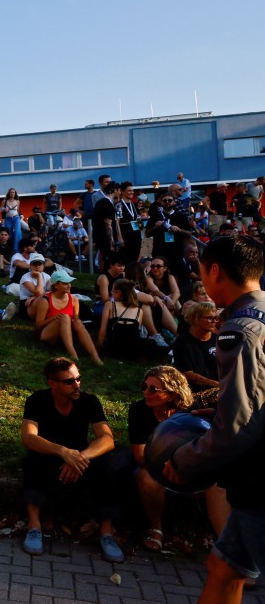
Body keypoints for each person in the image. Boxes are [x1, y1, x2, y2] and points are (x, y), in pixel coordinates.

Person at [162, 236, 265, 604]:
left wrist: (185, 460)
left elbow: (237, 424)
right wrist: (222, 407)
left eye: (202, 271)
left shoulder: (239, 330)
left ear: (215, 271)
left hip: (258, 477)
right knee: (224, 569)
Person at [20, 357, 123, 562]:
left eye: (78, 378)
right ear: (52, 383)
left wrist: (80, 457)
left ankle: (106, 533)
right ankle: (34, 526)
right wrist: (62, 452)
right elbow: (28, 437)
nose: (76, 385)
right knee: (32, 462)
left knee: (106, 467)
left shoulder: (89, 401)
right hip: (50, 455)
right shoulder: (37, 400)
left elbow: (107, 439)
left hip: (80, 460)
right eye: (69, 381)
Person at [129, 365, 230, 553]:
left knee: (217, 485)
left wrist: (184, 468)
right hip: (157, 469)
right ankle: (156, 528)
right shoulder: (139, 410)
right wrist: (170, 467)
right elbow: (140, 456)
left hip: (194, 470)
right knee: (145, 478)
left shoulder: (194, 410)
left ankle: (228, 546)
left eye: (153, 389)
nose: (146, 392)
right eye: (144, 386)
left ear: (173, 393)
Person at [33, 270, 102, 365]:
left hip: (67, 333)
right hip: (49, 335)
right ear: (56, 285)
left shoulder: (74, 299)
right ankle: (73, 355)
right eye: (65, 283)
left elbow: (76, 321)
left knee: (78, 322)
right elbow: (38, 325)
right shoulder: (45, 300)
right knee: (65, 317)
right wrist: (55, 318)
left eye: (69, 282)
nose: (69, 285)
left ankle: (95, 356)